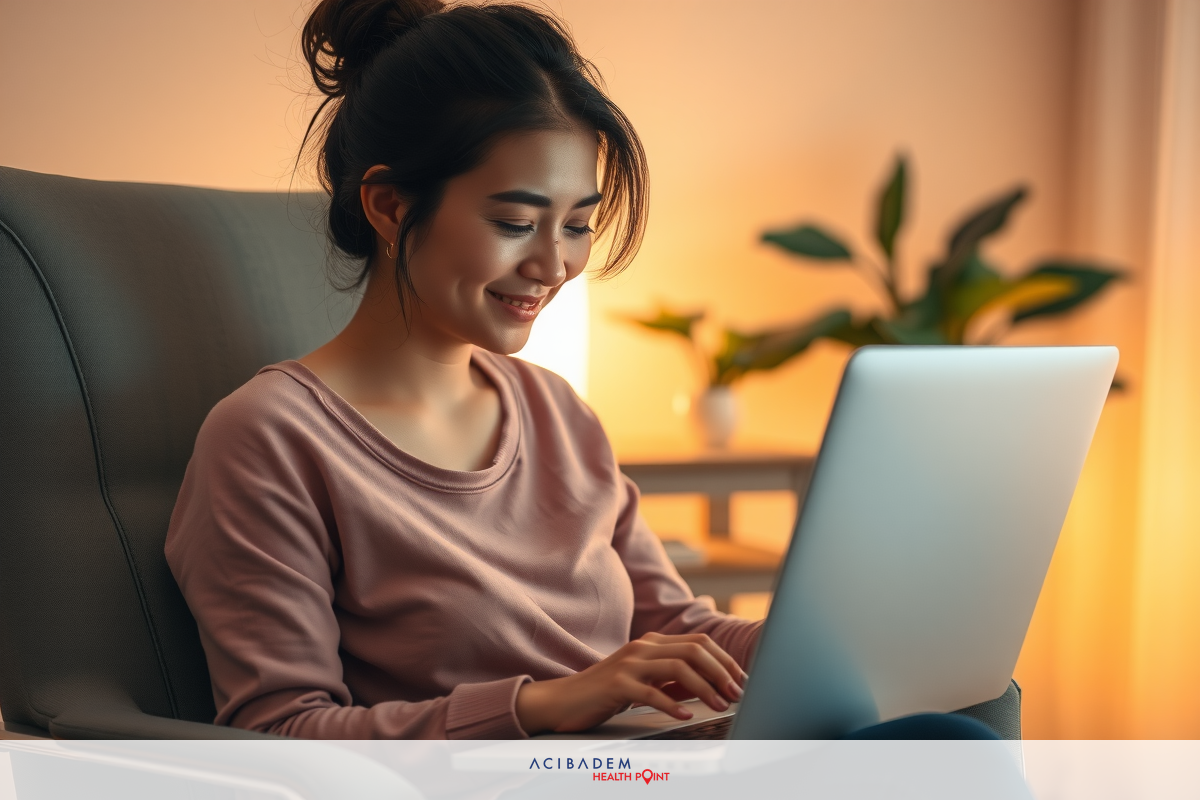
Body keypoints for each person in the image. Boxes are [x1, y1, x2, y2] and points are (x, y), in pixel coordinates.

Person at [166, 0, 999, 741]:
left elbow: (675, 626)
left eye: (576, 225)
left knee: (947, 730)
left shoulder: (556, 411)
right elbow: (284, 731)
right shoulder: (270, 438)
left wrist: (843, 644)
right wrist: (544, 706)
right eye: (514, 221)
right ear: (388, 205)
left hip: (644, 764)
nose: (553, 265)